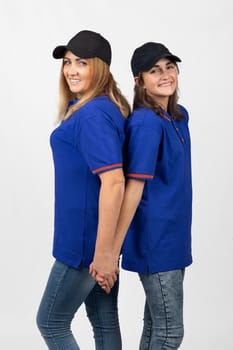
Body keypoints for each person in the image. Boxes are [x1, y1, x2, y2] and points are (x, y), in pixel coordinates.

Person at [94, 42, 193, 349]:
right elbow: (132, 189)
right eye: (154, 71)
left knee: (154, 330)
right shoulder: (147, 123)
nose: (165, 75)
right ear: (139, 81)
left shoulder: (177, 116)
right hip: (156, 243)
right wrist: (111, 251)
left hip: (175, 240)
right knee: (169, 333)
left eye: (169, 67)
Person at [36, 30, 130, 350]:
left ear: (100, 68)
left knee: (50, 321)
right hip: (95, 239)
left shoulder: (91, 115)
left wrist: (103, 253)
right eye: (67, 62)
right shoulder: (96, 106)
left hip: (84, 243)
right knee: (104, 321)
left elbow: (115, 181)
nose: (71, 70)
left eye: (82, 63)